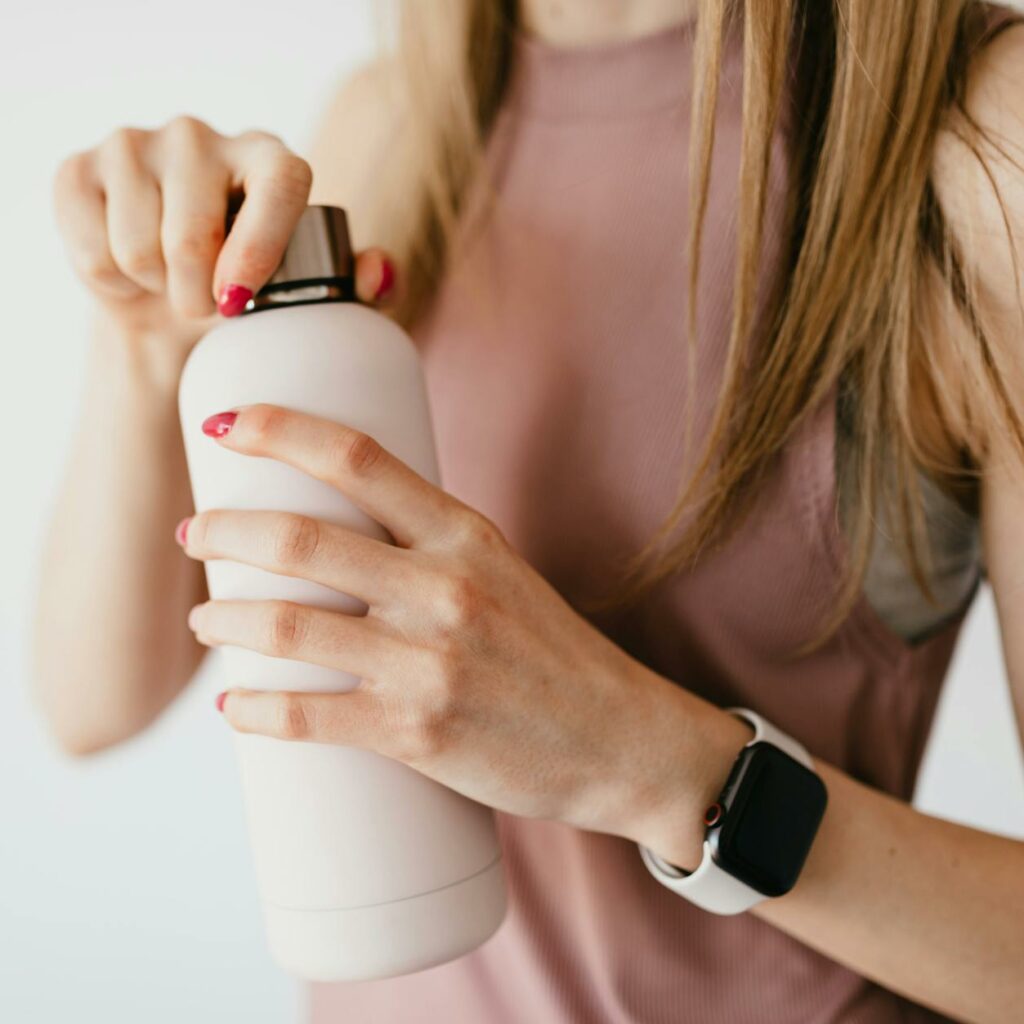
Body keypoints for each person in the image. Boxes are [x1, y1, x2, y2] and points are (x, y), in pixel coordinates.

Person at [34, 1, 1024, 1021]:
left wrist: (648, 764)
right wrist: (145, 350)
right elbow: (91, 701)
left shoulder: (984, 140)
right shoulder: (395, 125)